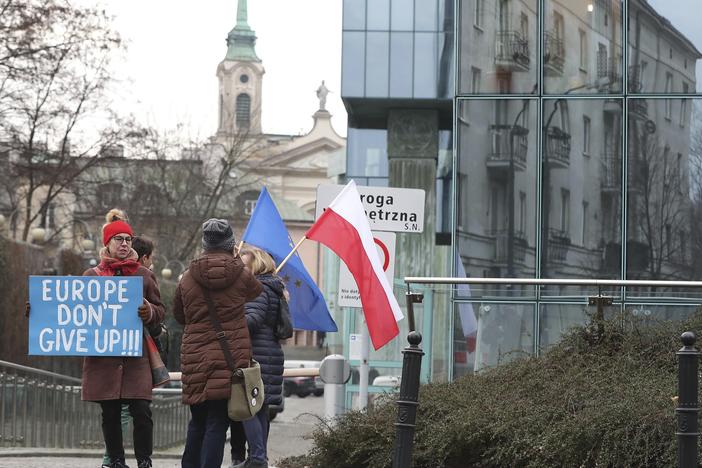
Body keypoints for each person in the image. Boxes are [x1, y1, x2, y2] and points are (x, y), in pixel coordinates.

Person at [173, 218, 262, 468]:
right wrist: (236, 260)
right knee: (217, 422)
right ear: (231, 244)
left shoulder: (187, 278)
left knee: (197, 421)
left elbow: (179, 315)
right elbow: (257, 291)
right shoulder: (240, 274)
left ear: (204, 245)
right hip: (229, 357)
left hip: (195, 357)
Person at [84, 209, 166, 468]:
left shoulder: (142, 275)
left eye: (128, 239)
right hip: (104, 356)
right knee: (109, 412)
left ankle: (144, 460)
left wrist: (149, 311)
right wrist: (40, 309)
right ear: (106, 243)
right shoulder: (92, 276)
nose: (124, 243)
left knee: (141, 409)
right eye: (118, 239)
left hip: (136, 356)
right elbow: (72, 310)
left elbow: (160, 310)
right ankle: (117, 461)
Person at [230, 246, 286, 468]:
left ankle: (257, 458)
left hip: (256, 357)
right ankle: (258, 457)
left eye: (244, 266)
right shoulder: (272, 288)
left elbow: (251, 320)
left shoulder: (259, 288)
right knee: (259, 407)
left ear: (256, 265)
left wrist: (231, 320)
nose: (240, 270)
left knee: (248, 405)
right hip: (268, 353)